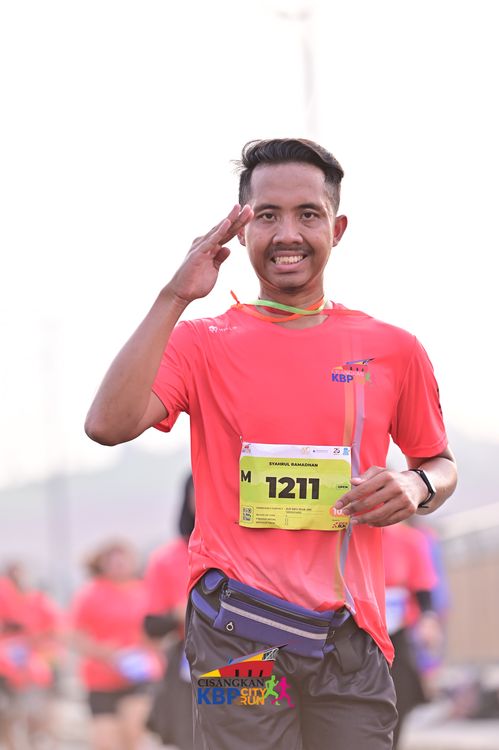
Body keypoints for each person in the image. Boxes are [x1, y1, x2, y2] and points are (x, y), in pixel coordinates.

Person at [84, 138, 458, 750]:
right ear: (243, 229)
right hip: (233, 637)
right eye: (267, 215)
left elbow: (438, 464)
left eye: (308, 214)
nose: (288, 234)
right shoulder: (200, 342)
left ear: (336, 228)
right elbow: (107, 423)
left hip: (352, 641)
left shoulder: (393, 348)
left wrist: (416, 485)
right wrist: (174, 295)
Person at [70, 540, 162, 750]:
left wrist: (149, 652)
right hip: (101, 679)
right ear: (103, 564)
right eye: (113, 562)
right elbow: (76, 635)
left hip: (138, 675)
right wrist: (105, 653)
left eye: (124, 560)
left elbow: (156, 631)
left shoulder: (145, 591)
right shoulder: (90, 593)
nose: (119, 566)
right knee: (106, 743)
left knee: (132, 731)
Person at [143, 473, 194, 750]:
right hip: (190, 661)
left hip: (252, 660)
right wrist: (179, 612)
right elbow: (151, 626)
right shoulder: (166, 559)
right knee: (191, 737)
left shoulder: (248, 548)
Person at [382, 522, 443, 748]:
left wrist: (428, 618)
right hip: (357, 627)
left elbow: (422, 585)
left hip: (398, 629)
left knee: (401, 691)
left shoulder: (410, 539)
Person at [0, 562, 63, 750]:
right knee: (8, 714)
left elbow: (56, 630)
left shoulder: (40, 601)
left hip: (37, 667)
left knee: (38, 713)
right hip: (7, 669)